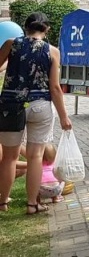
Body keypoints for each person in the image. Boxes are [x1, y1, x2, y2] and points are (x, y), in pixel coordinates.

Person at [0, 12, 73, 215]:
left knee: (9, 157)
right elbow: (55, 87)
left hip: (11, 103)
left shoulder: (10, 43)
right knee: (36, 157)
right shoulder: (53, 51)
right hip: (40, 104)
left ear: (26, 27)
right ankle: (32, 204)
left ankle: (3, 201)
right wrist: (64, 116)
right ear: (47, 29)